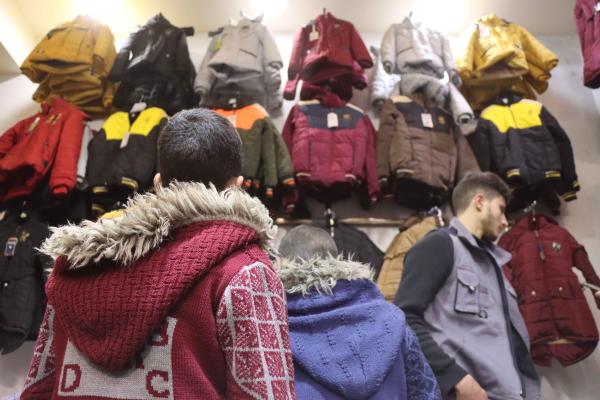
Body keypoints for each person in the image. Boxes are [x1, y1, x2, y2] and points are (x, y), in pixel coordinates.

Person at [20, 109, 296, 399]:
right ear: (236, 185)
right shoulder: (245, 272)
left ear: (158, 182)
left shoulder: (77, 261)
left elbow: (39, 386)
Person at [395, 172, 540, 400]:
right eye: (501, 209)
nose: (505, 222)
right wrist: (453, 378)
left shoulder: (495, 266)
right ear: (480, 201)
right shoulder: (440, 245)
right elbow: (403, 319)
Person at [277, 224, 441, 400]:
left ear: (280, 262)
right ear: (336, 260)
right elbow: (426, 393)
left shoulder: (273, 328)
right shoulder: (392, 320)